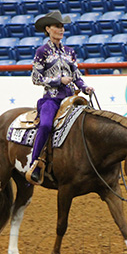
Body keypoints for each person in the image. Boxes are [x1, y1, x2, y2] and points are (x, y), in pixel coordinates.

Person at [27, 10, 94, 185]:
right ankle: (35, 164)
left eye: (62, 26)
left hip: (70, 98)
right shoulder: (42, 52)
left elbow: (77, 75)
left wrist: (84, 87)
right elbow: (36, 78)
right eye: (57, 26)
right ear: (48, 29)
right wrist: (58, 80)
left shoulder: (70, 52)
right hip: (51, 99)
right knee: (46, 124)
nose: (61, 29)